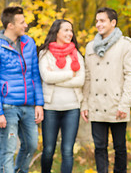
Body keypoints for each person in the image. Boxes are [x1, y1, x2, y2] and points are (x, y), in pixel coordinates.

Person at [81, 7, 131, 173]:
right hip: (96, 104)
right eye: (97, 20)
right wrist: (84, 104)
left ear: (113, 22)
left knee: (119, 147)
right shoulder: (90, 46)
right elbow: (88, 78)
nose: (98, 24)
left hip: (117, 104)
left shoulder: (126, 45)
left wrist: (125, 104)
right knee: (99, 147)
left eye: (102, 20)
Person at [0, 6, 44, 172]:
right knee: (8, 149)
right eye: (22, 22)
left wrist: (38, 104)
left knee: (31, 145)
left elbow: (34, 75)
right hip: (8, 107)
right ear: (10, 25)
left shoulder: (29, 42)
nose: (25, 25)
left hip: (28, 106)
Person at [38, 19, 85, 173]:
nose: (69, 33)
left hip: (72, 108)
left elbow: (81, 80)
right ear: (56, 32)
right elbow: (46, 77)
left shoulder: (76, 54)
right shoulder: (45, 54)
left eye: (71, 30)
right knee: (48, 150)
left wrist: (57, 78)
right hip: (50, 108)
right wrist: (71, 74)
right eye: (65, 30)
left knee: (67, 151)